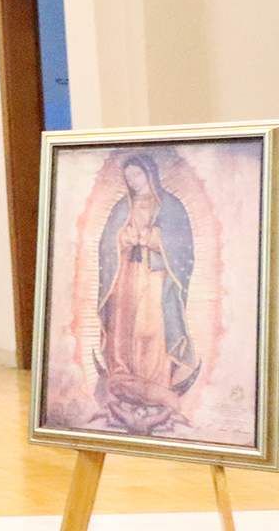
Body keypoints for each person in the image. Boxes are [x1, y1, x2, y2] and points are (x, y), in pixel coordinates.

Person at [94, 151, 199, 433]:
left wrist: (154, 239)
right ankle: (124, 375)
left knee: (150, 328)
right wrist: (124, 238)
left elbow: (182, 245)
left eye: (137, 175)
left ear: (150, 175)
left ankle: (156, 382)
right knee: (124, 326)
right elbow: (107, 243)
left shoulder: (170, 206)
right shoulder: (121, 206)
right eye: (128, 177)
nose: (133, 181)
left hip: (156, 277)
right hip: (127, 274)